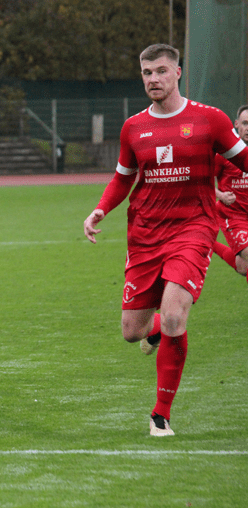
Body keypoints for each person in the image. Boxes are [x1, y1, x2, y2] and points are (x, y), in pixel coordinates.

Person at [82, 44, 248, 437]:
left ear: (177, 73)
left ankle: (160, 415)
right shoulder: (134, 127)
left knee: (175, 313)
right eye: (146, 72)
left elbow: (244, 161)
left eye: (160, 71)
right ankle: (154, 331)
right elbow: (123, 177)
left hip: (194, 228)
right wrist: (99, 210)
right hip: (145, 235)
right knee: (131, 331)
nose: (152, 79)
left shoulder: (210, 119)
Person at [212, 105, 248, 280]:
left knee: (243, 267)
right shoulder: (224, 153)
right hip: (233, 216)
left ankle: (208, 244)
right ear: (236, 124)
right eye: (245, 123)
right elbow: (204, 181)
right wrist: (221, 195)